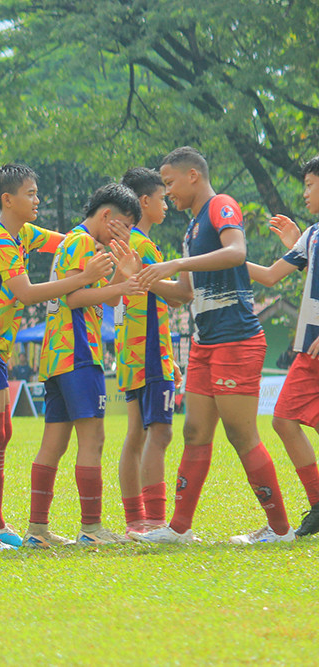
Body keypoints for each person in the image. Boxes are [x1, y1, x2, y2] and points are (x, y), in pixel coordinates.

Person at [136, 146, 294, 544]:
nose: (167, 192)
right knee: (194, 432)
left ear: (193, 175)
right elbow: (183, 295)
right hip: (206, 342)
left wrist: (177, 263)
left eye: (170, 182)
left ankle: (280, 530)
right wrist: (139, 276)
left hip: (236, 339)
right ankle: (179, 530)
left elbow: (237, 252)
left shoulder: (221, 205)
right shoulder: (191, 229)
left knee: (242, 435)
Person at [0, 164, 117, 550]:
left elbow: (67, 240)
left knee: (3, 434)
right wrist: (83, 276)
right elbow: (26, 293)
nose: (37, 200)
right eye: (30, 193)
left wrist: (99, 239)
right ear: (7, 200)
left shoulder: (24, 233)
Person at [28, 184, 144, 547]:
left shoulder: (75, 243)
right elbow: (76, 296)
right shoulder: (80, 243)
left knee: (54, 442)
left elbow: (97, 298)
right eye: (123, 226)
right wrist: (123, 287)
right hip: (79, 351)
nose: (124, 235)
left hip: (58, 354)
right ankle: (91, 529)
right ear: (107, 216)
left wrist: (121, 278)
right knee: (93, 438)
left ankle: (37, 531)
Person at [244, 155, 319, 536]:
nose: (304, 193)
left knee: (284, 420)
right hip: (309, 348)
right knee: (284, 419)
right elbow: (272, 276)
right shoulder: (313, 234)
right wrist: (228, 260)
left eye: (309, 184)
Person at [116, 168, 190, 536]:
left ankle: (136, 521)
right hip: (147, 353)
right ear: (144, 201)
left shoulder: (129, 242)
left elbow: (161, 301)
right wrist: (185, 273)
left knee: (136, 435)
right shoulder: (143, 245)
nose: (166, 204)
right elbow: (180, 296)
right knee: (159, 435)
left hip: (133, 352)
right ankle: (157, 520)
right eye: (162, 198)